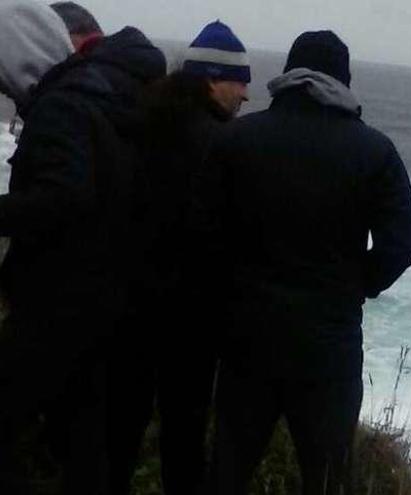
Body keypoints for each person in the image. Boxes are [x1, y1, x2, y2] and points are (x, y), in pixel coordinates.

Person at [201, 30, 411, 495]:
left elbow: (202, 231)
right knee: (325, 478)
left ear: (287, 74)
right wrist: (357, 283)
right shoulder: (374, 150)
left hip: (247, 337)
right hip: (328, 345)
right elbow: (403, 243)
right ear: (344, 79)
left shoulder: (237, 137)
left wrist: (231, 288)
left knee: (228, 469)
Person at [0, 1, 166, 491]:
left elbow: (63, 196)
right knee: (86, 446)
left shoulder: (62, 104)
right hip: (115, 302)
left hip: (61, 302)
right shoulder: (117, 93)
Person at [108, 21, 251, 495]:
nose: (246, 94)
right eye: (240, 81)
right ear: (212, 79)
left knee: (117, 430)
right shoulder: (221, 145)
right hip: (192, 316)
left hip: (127, 302)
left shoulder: (136, 123)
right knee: (184, 439)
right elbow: (230, 235)